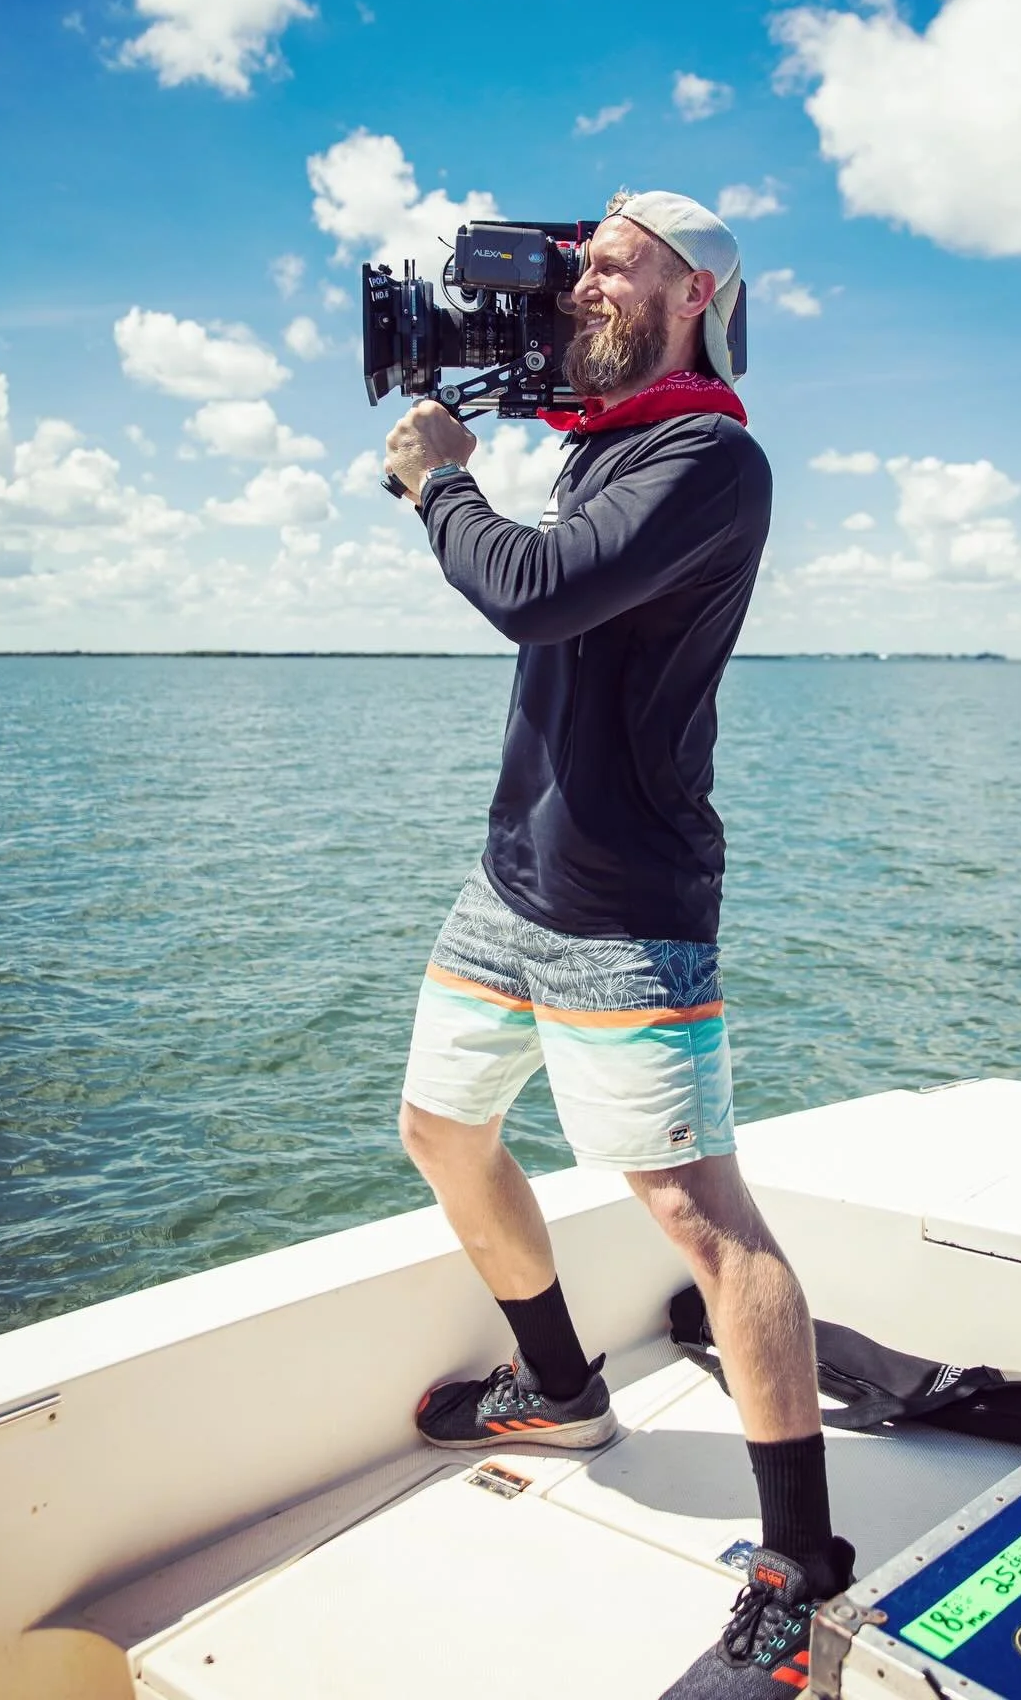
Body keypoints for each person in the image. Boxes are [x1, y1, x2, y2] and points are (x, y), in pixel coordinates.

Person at [383, 190, 854, 1696]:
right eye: (578, 262)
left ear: (695, 294)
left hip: (627, 906)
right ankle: (567, 1390)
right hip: (509, 878)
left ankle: (800, 1550)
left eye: (611, 265)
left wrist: (437, 481)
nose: (581, 279)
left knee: (703, 1221)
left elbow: (538, 594)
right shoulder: (603, 443)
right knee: (442, 1130)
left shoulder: (711, 458)